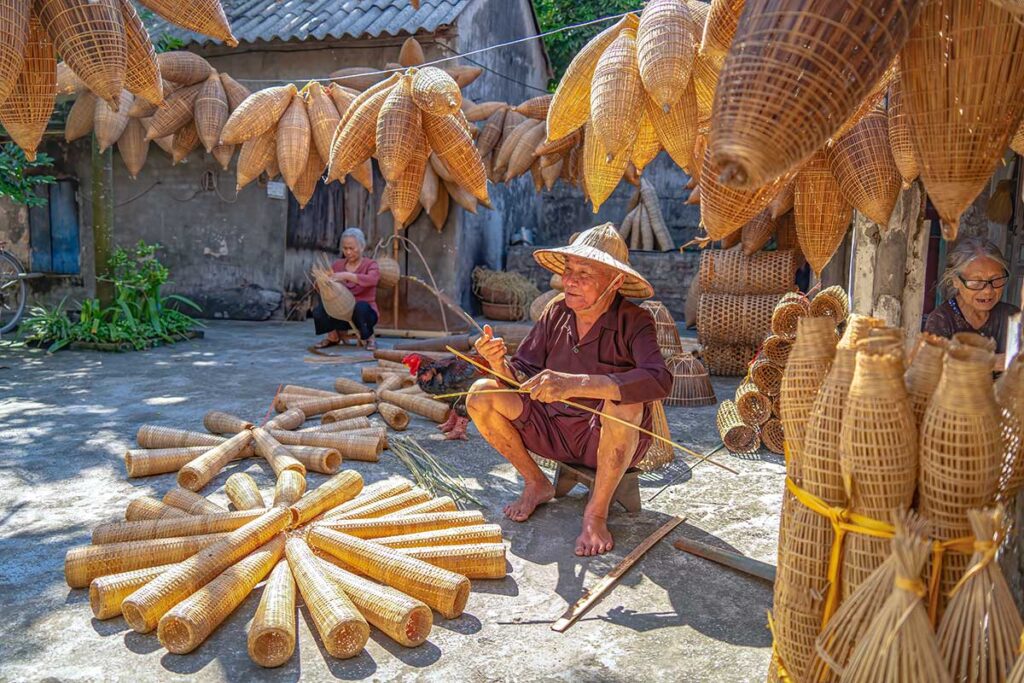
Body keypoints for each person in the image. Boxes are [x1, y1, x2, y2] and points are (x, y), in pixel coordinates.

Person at [466, 224, 671, 557]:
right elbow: (525, 374)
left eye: (584, 273)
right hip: (552, 428)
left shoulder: (635, 321)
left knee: (625, 405)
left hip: (604, 438)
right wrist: (499, 364)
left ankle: (596, 513)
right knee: (481, 394)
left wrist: (576, 384)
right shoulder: (556, 312)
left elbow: (658, 380)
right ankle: (536, 483)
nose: (570, 281)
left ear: (615, 282)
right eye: (568, 271)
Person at [924, 236, 1019, 367]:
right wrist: (992, 362)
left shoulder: (1012, 316)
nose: (988, 291)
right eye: (976, 282)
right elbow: (934, 369)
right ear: (956, 281)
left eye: (996, 279)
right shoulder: (942, 320)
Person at [312, 227, 381, 350]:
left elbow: (372, 279)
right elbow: (322, 285)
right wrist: (321, 282)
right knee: (319, 308)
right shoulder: (337, 265)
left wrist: (346, 275)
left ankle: (370, 338)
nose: (348, 252)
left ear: (362, 247)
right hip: (341, 314)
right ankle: (333, 337)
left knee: (361, 307)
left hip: (363, 315)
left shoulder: (371, 264)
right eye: (345, 248)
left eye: (352, 248)